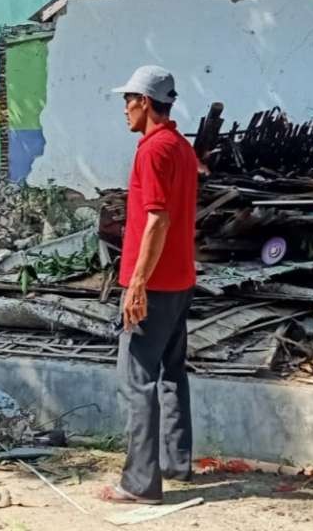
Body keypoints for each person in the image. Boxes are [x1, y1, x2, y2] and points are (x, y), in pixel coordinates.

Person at [98, 65, 198, 506]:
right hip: (180, 279)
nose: (124, 108)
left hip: (155, 283)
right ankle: (176, 464)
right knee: (172, 374)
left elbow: (157, 218)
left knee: (137, 379)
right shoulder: (181, 147)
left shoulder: (153, 150)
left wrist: (136, 283)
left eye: (128, 100)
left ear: (144, 101)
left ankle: (140, 483)